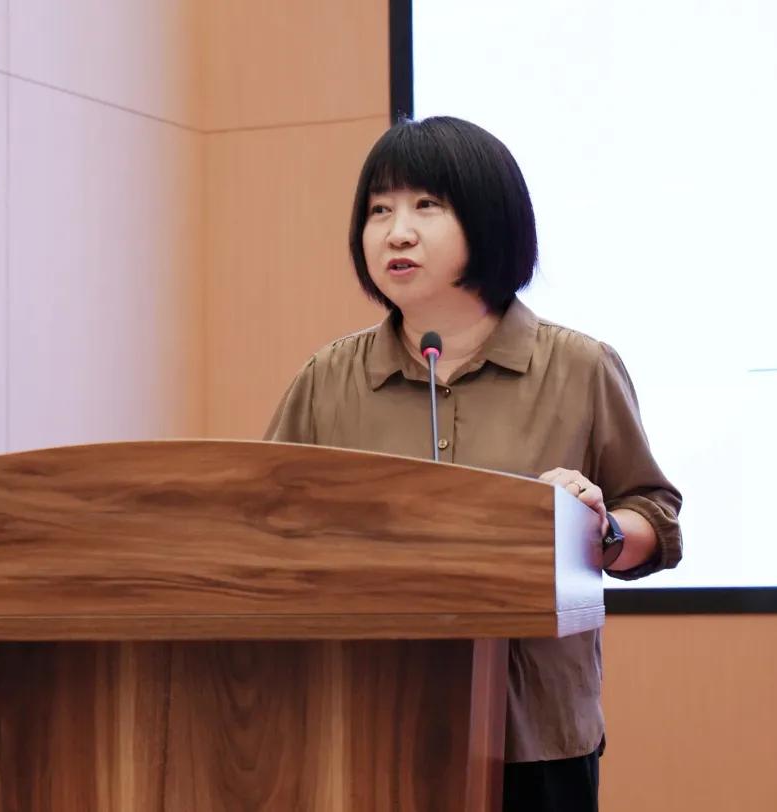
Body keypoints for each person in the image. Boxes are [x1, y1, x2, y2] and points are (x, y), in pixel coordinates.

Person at [264, 116, 682, 812]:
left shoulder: (579, 367)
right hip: (363, 723)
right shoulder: (328, 378)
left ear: (490, 219)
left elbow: (655, 518)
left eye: (426, 205)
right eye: (378, 210)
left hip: (531, 734)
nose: (397, 232)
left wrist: (600, 528)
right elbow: (264, 527)